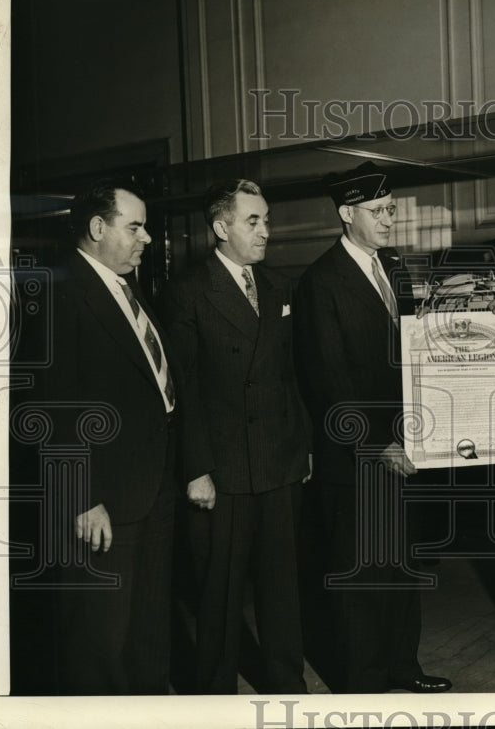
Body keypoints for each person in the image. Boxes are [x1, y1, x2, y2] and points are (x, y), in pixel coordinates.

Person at [294, 161, 451, 694]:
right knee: (360, 574)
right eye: (378, 211)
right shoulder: (322, 281)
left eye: (391, 209)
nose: (389, 219)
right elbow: (328, 380)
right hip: (360, 455)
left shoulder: (395, 270)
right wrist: (376, 443)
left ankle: (404, 667)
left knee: (401, 568)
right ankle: (363, 684)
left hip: (408, 448)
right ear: (346, 214)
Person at [160, 179, 311, 694]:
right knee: (219, 600)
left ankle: (289, 689)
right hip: (222, 473)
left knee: (282, 594)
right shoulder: (187, 291)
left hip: (278, 463)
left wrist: (303, 444)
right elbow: (183, 389)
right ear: (221, 228)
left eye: (267, 219)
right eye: (254, 221)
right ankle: (215, 700)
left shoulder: (276, 287)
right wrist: (196, 469)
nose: (266, 230)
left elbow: (291, 375)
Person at [45, 180, 177, 694]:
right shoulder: (60, 290)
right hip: (103, 501)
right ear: (98, 228)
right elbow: (52, 407)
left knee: (148, 630)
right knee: (99, 641)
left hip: (150, 487)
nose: (146, 239)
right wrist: (83, 498)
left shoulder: (126, 287)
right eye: (135, 227)